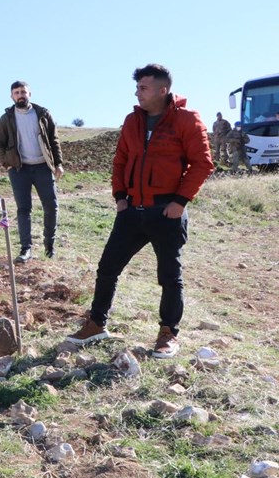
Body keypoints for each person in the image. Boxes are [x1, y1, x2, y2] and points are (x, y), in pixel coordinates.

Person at [65, 64, 213, 359]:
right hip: (132, 210)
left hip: (166, 211)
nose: (137, 93)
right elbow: (120, 161)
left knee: (169, 276)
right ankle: (96, 324)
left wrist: (180, 201)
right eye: (137, 88)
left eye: (143, 88)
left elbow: (202, 163)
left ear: (162, 89)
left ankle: (168, 333)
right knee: (108, 267)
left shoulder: (186, 119)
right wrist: (120, 197)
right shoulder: (132, 120)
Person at [0, 81, 64, 262]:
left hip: (43, 167)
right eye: (16, 92)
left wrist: (58, 163)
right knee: (23, 209)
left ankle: (50, 243)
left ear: (29, 94)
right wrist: (7, 162)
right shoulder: (7, 118)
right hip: (19, 169)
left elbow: (53, 140)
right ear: (12, 96)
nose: (20, 95)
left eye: (23, 91)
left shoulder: (43, 114)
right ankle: (26, 249)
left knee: (51, 206)